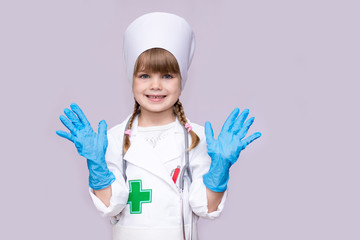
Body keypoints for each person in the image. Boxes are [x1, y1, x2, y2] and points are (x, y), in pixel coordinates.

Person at [56, 12, 261, 240]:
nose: (155, 85)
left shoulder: (199, 138)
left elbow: (206, 208)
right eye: (144, 75)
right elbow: (110, 207)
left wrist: (220, 169)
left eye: (167, 75)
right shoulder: (112, 139)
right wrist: (96, 165)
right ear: (131, 80)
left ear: (181, 80)